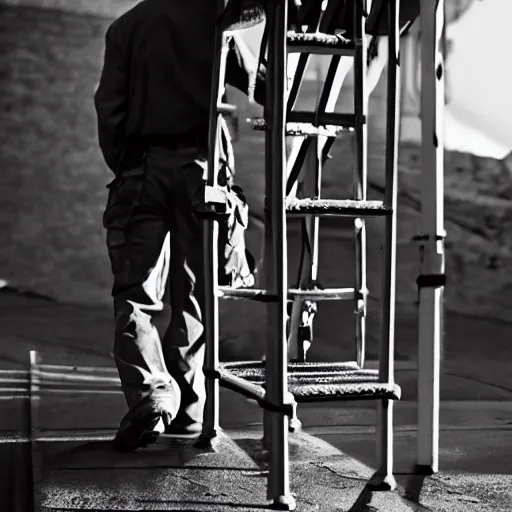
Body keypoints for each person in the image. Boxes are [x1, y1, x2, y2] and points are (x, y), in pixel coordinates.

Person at [94, 0, 262, 451]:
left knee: (135, 296)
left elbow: (109, 110)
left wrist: (129, 168)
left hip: (142, 172)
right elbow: (266, 88)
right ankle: (190, 412)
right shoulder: (218, 20)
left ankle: (151, 397)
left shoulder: (126, 27)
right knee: (193, 294)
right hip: (201, 174)